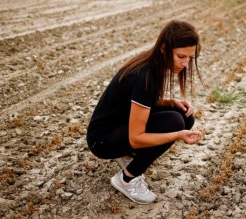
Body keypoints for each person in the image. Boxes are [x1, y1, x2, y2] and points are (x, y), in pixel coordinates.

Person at [86, 20, 203, 204]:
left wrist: (171, 102)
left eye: (190, 58)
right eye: (181, 56)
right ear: (164, 49)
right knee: (175, 123)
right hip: (102, 140)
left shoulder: (152, 62)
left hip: (119, 124)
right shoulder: (145, 76)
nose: (186, 64)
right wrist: (178, 135)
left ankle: (129, 155)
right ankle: (127, 178)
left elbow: (138, 102)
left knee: (184, 116)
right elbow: (136, 138)